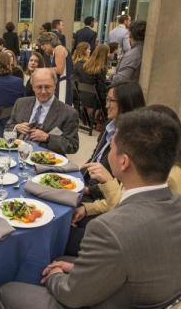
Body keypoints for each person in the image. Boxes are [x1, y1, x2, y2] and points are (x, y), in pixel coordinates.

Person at [0, 108, 181, 309]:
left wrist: (55, 276)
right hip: (140, 294)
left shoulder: (110, 228)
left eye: (113, 145)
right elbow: (135, 259)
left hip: (102, 301)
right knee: (60, 259)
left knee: (8, 291)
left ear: (124, 161)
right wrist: (79, 269)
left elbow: (71, 295)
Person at [70, 105, 181, 250]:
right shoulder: (147, 163)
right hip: (120, 224)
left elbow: (129, 215)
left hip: (131, 240)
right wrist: (87, 208)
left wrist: (108, 181)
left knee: (68, 236)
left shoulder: (168, 176)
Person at [65, 81, 146, 256]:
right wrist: (77, 175)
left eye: (111, 101)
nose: (106, 105)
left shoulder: (133, 142)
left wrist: (86, 192)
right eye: (106, 99)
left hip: (101, 198)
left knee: (62, 225)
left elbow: (117, 193)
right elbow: (94, 158)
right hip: (92, 188)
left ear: (126, 103)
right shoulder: (110, 127)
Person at [6, 68, 79, 155]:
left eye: (47, 87)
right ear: (33, 87)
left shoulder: (68, 113)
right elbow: (7, 128)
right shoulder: (21, 103)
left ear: (55, 86)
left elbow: (72, 145)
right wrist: (16, 128)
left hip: (46, 161)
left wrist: (48, 138)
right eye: (39, 87)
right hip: (17, 155)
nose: (43, 91)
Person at [39, 32, 72, 104]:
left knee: (61, 110)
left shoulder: (58, 49)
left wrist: (41, 70)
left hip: (63, 84)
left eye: (43, 44)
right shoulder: (54, 52)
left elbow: (59, 70)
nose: (42, 47)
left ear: (50, 42)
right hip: (60, 83)